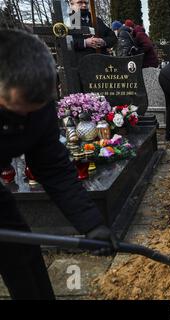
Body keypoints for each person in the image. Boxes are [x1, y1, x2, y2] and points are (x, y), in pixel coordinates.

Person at [0, 29, 117, 300]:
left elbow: (53, 169)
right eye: (19, 108)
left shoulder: (38, 109)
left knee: (20, 249)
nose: (28, 117)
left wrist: (92, 224)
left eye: (36, 106)